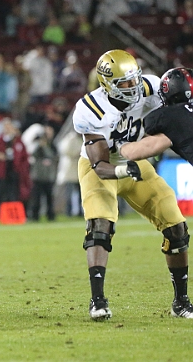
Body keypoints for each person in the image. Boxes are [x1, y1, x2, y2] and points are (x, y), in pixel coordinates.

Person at [72, 50, 193, 321]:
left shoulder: (150, 87)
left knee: (176, 227)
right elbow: (100, 165)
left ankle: (181, 302)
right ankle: (98, 300)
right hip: (103, 168)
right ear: (108, 83)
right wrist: (124, 168)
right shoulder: (91, 109)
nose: (134, 87)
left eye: (135, 79)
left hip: (137, 164)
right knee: (100, 227)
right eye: (125, 83)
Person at [117, 66, 193, 318]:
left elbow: (142, 146)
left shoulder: (168, 116)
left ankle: (181, 302)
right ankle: (181, 303)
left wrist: (117, 143)